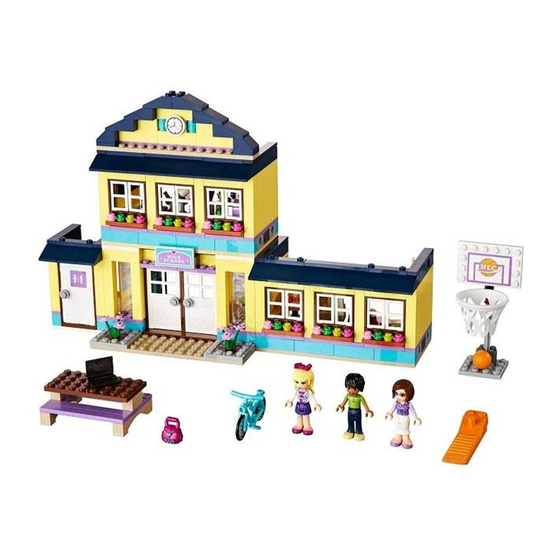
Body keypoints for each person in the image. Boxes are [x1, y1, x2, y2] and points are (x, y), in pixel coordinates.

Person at [285, 363, 322, 435]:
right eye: (296, 382)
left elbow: (313, 398)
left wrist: (316, 404)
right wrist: (289, 401)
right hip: (298, 404)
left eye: (302, 382)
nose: (299, 385)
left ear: (309, 382)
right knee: (298, 415)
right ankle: (299, 425)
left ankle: (307, 426)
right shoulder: (296, 391)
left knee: (306, 416)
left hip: (305, 405)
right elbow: (293, 396)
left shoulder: (308, 392)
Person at [336, 373, 374, 441]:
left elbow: (364, 404)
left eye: (353, 388)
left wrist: (367, 410)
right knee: (350, 422)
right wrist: (341, 406)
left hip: (357, 412)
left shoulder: (360, 397)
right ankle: (350, 430)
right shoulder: (347, 396)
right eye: (348, 387)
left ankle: (359, 432)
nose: (350, 390)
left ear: (359, 388)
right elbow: (343, 403)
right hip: (349, 411)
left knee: (358, 423)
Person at [385, 379, 421, 449]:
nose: (398, 396)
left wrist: (416, 418)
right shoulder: (396, 403)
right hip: (397, 418)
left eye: (402, 395)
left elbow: (413, 412)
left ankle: (406, 438)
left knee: (405, 429)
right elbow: (392, 409)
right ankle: (397, 437)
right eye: (396, 393)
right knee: (398, 428)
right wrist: (389, 414)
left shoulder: (409, 404)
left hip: (405, 418)